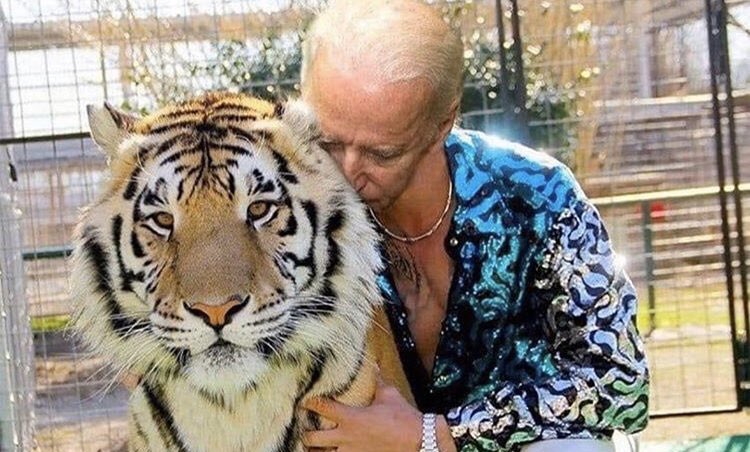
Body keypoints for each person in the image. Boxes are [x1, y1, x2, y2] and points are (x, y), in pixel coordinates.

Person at [298, 1, 649, 451]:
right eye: (328, 141)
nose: (347, 172)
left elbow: (622, 384)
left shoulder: (538, 197)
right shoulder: (288, 211)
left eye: (382, 154)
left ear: (442, 123)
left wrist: (437, 436)